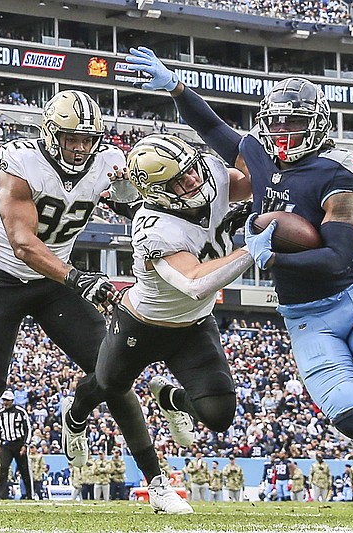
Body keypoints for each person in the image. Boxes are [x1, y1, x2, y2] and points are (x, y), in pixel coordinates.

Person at [124, 46, 353, 522]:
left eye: (292, 124)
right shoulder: (258, 154)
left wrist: (271, 255)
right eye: (275, 123)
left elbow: (338, 255)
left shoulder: (338, 172)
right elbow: (213, 128)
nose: (281, 135)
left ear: (318, 123)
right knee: (351, 418)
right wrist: (177, 87)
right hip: (304, 315)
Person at [0, 89, 137, 470]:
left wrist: (128, 195)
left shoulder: (109, 160)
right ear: (50, 134)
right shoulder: (20, 161)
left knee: (111, 367)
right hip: (7, 275)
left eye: (87, 139)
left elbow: (132, 208)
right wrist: (78, 278)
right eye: (72, 138)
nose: (79, 148)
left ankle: (81, 426)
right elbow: (23, 244)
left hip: (54, 282)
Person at [59, 132, 253, 514]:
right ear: (158, 193)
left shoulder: (207, 172)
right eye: (179, 181)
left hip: (195, 325)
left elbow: (249, 182)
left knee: (219, 416)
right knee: (109, 384)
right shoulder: (154, 227)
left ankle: (171, 398)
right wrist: (254, 247)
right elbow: (195, 282)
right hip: (142, 325)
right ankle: (76, 417)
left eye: (192, 171)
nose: (194, 181)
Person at [0, 390, 33, 499]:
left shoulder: (20, 412)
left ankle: (29, 494)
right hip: (7, 444)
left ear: (12, 401)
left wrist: (25, 444)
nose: (5, 403)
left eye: (7, 400)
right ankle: (1, 495)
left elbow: (28, 428)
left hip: (19, 443)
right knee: (4, 468)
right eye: (4, 400)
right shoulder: (0, 414)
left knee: (24, 470)